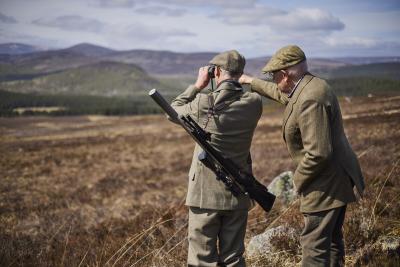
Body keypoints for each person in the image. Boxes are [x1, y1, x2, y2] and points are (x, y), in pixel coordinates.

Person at [239, 45, 365, 266]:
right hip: (336, 177)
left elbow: (318, 153)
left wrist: (297, 181)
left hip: (325, 183)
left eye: (274, 76)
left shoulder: (310, 99)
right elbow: (282, 94)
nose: (274, 80)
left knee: (314, 246)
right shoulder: (310, 85)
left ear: (285, 75)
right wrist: (251, 81)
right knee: (332, 239)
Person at [170, 50, 262, 267]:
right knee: (233, 258)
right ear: (241, 74)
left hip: (205, 195)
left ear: (216, 72)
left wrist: (198, 85)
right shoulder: (254, 103)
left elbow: (172, 110)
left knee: (202, 260)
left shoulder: (204, 103)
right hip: (238, 191)